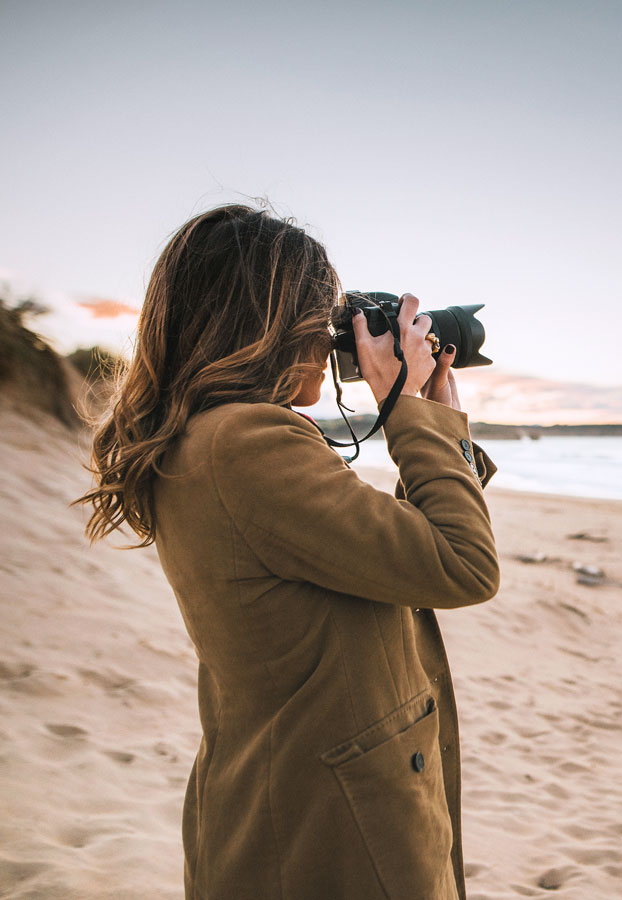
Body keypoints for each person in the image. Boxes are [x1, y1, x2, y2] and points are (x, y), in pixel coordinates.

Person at [77, 204, 500, 900]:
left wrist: (436, 426)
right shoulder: (247, 444)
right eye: (320, 315)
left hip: (299, 805)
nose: (332, 336)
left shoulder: (211, 441)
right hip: (329, 831)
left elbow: (377, 555)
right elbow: (461, 564)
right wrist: (408, 410)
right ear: (267, 321)